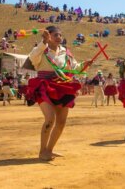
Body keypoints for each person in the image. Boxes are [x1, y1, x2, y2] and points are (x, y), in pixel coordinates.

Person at [26, 26, 92, 161]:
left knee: (61, 122)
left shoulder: (66, 52)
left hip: (62, 86)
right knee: (50, 119)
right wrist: (43, 43)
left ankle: (49, 150)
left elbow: (74, 69)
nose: (59, 37)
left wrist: (84, 65)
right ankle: (42, 151)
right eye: (56, 35)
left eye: (60, 35)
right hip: (44, 86)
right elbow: (32, 59)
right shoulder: (40, 50)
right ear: (48, 35)